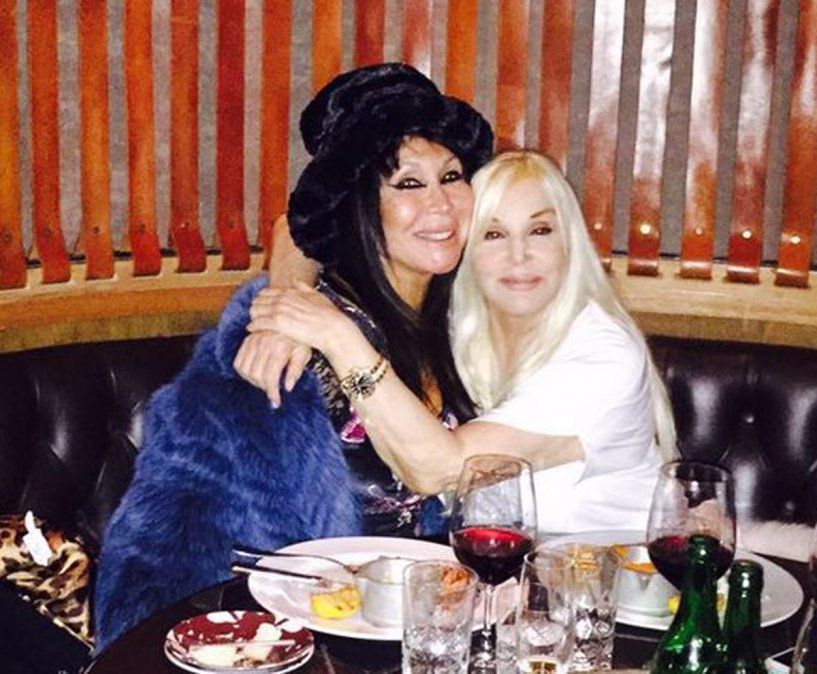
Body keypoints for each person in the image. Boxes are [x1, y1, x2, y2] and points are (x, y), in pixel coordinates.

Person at [93, 63, 493, 650]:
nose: (440, 204)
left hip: (420, 633)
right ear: (359, 206)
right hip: (284, 639)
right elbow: (170, 522)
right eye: (408, 184)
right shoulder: (286, 340)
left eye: (452, 176)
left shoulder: (466, 322)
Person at [244, 150, 678, 535]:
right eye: (493, 234)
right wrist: (281, 315)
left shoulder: (604, 355)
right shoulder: (461, 322)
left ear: (571, 243)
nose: (519, 256)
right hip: (511, 583)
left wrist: (339, 337)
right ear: (465, 248)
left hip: (620, 586)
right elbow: (293, 230)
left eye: (541, 230)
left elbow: (442, 469)